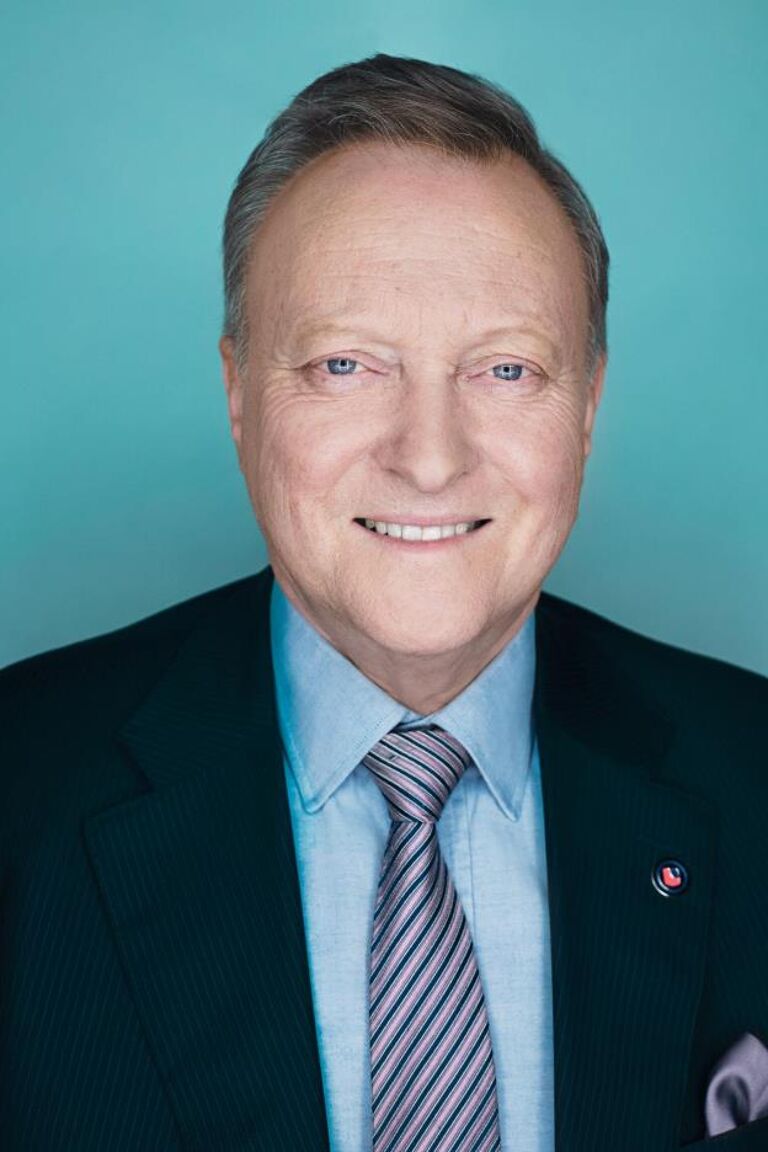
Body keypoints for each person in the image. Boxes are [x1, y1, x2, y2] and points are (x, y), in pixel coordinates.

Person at [1, 52, 766, 1152]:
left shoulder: (756, 773)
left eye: (506, 370)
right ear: (236, 392)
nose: (428, 459)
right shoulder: (20, 784)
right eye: (346, 366)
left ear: (588, 406)